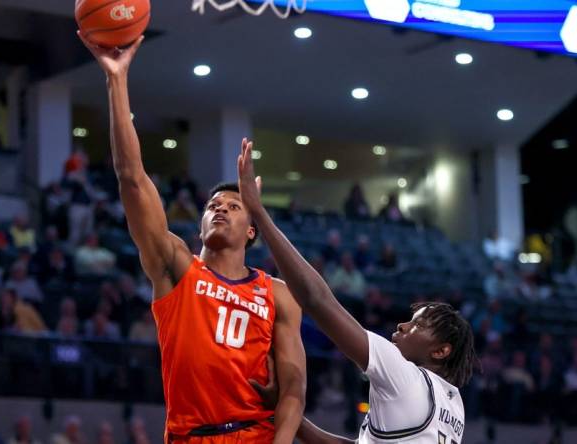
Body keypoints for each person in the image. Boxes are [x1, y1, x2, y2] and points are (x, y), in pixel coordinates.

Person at [79, 34, 305, 443]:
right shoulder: (176, 267)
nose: (219, 209)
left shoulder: (279, 295)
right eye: (212, 205)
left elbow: (292, 390)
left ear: (252, 230)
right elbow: (131, 177)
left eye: (234, 207)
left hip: (254, 433)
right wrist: (117, 79)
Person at [236, 140, 477, 443]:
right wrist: (286, 414)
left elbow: (316, 300)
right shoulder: (454, 407)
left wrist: (259, 212)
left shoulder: (402, 373)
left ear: (441, 351)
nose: (403, 325)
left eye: (419, 325)